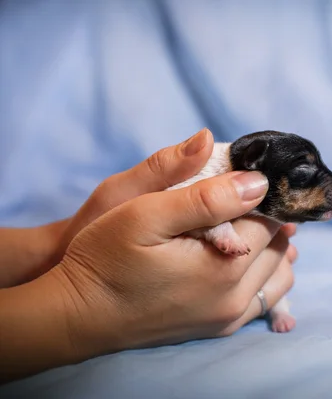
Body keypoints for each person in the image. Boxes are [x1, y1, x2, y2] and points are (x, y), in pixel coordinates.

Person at [0, 129, 297, 384]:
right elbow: (191, 217)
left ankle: (279, 308)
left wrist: (57, 246)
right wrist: (76, 309)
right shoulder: (213, 170)